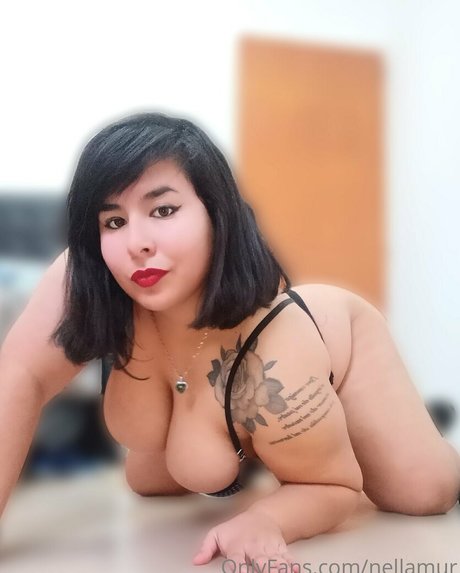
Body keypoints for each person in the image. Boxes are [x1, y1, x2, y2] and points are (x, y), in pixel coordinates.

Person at [0, 112, 459, 572]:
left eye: (163, 210)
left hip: (333, 339)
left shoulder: (277, 348)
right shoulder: (93, 277)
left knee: (422, 492)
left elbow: (333, 487)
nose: (136, 243)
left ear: (216, 213)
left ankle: (373, 419)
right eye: (114, 221)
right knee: (152, 480)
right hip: (217, 406)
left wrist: (266, 519)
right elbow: (18, 375)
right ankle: (262, 446)